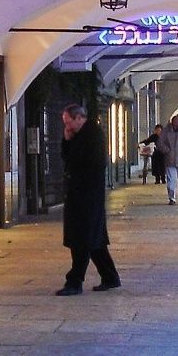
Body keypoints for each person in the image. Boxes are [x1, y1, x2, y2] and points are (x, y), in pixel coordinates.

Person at [55, 103, 120, 295]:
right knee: (93, 240)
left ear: (79, 118)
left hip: (87, 197)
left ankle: (74, 281)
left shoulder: (91, 136)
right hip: (81, 196)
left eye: (69, 122)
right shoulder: (79, 135)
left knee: (82, 240)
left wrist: (69, 142)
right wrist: (67, 141)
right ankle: (110, 277)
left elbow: (78, 163)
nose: (67, 127)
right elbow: (69, 160)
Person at [156, 114, 178, 204]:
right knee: (171, 179)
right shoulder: (166, 132)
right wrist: (167, 151)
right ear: (172, 122)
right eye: (176, 121)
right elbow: (160, 143)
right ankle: (172, 198)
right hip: (170, 159)